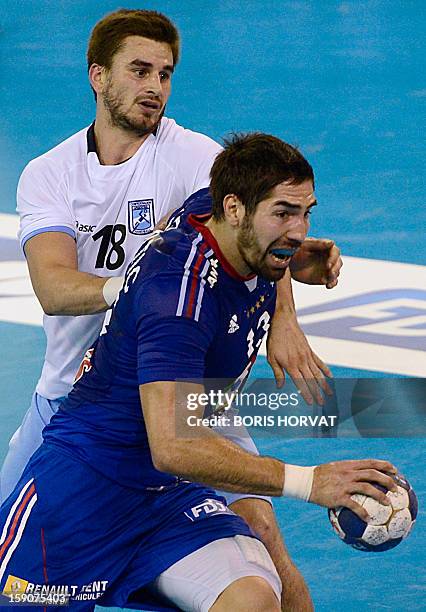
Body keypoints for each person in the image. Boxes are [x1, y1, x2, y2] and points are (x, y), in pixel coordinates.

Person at [0, 8, 341, 609]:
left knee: (266, 541)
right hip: (80, 401)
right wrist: (143, 285)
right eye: (139, 70)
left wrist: (284, 318)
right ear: (98, 76)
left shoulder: (192, 157)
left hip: (186, 391)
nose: (154, 86)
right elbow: (54, 288)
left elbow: (260, 224)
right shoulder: (48, 174)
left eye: (165, 73)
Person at [0, 133, 395, 612]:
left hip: (167, 499)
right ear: (234, 210)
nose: (298, 229)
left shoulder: (220, 214)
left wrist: (287, 296)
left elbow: (266, 229)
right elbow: (174, 445)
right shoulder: (176, 299)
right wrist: (311, 482)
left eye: (305, 212)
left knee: (255, 598)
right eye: (284, 213)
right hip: (83, 494)